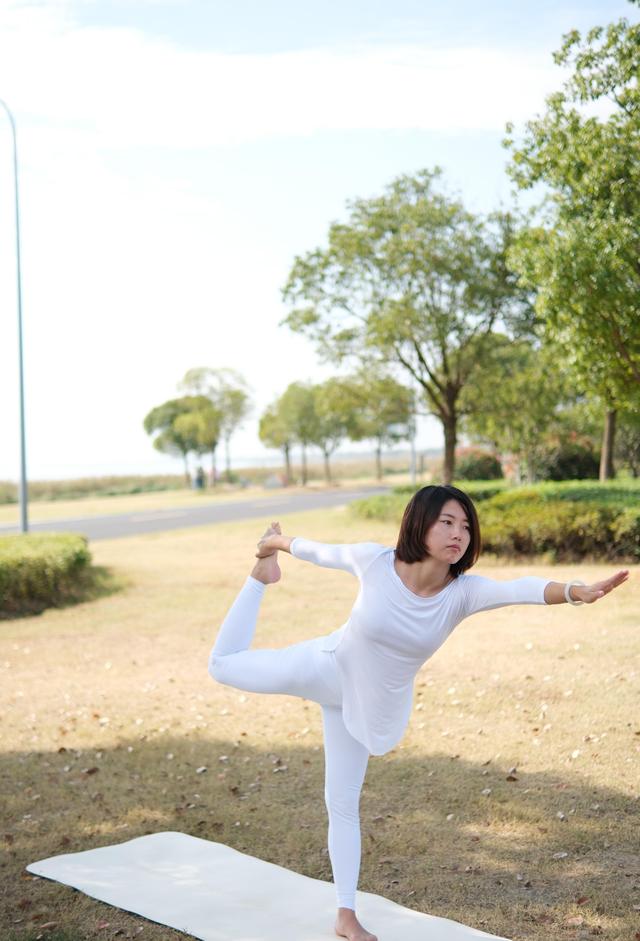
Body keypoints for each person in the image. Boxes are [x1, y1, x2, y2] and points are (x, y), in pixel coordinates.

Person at [208, 484, 629, 941]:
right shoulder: (375, 561)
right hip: (324, 667)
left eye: (465, 526)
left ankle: (345, 915)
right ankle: (259, 579)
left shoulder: (462, 593)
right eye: (446, 522)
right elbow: (317, 550)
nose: (458, 534)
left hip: (364, 702)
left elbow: (519, 588)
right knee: (222, 666)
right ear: (419, 524)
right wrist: (273, 546)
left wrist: (573, 591)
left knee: (343, 802)